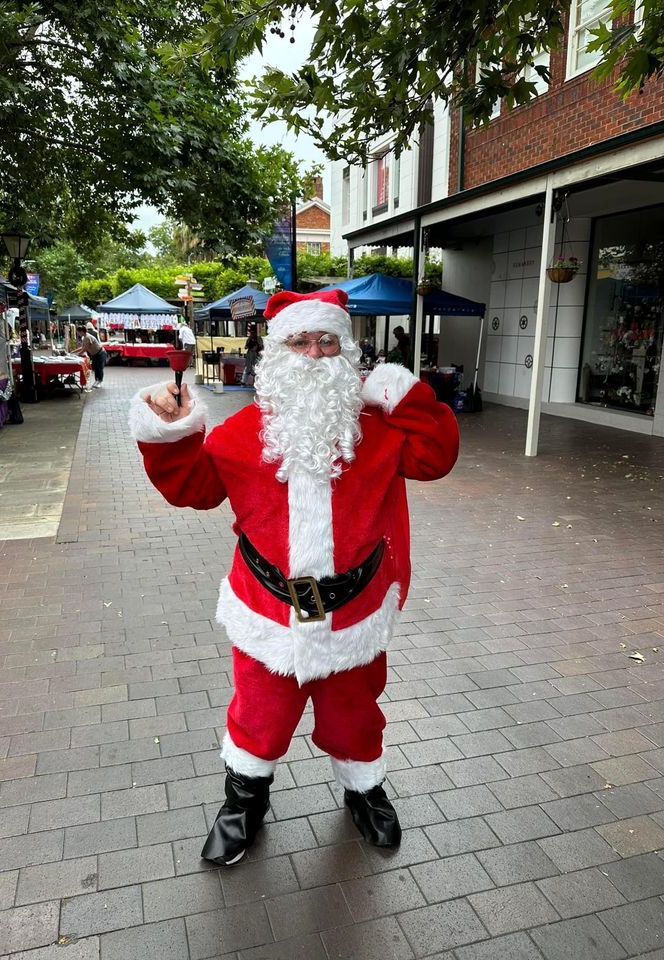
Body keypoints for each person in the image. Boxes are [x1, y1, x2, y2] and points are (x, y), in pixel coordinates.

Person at [129, 288, 459, 866]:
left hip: (354, 609)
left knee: (356, 713)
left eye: (326, 340)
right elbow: (194, 489)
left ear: (345, 349)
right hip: (267, 609)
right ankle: (243, 804)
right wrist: (173, 431)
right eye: (299, 340)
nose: (314, 353)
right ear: (277, 352)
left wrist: (404, 395)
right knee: (259, 713)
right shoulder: (242, 431)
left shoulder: (376, 431)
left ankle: (365, 790)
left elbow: (437, 456)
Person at [75, 322, 106, 388]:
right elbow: (82, 347)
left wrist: (77, 354)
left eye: (78, 332)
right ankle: (97, 381)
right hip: (95, 354)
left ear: (82, 332)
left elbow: (84, 349)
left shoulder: (87, 337)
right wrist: (73, 352)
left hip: (100, 353)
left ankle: (99, 381)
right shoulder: (84, 337)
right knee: (95, 368)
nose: (77, 334)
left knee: (99, 368)